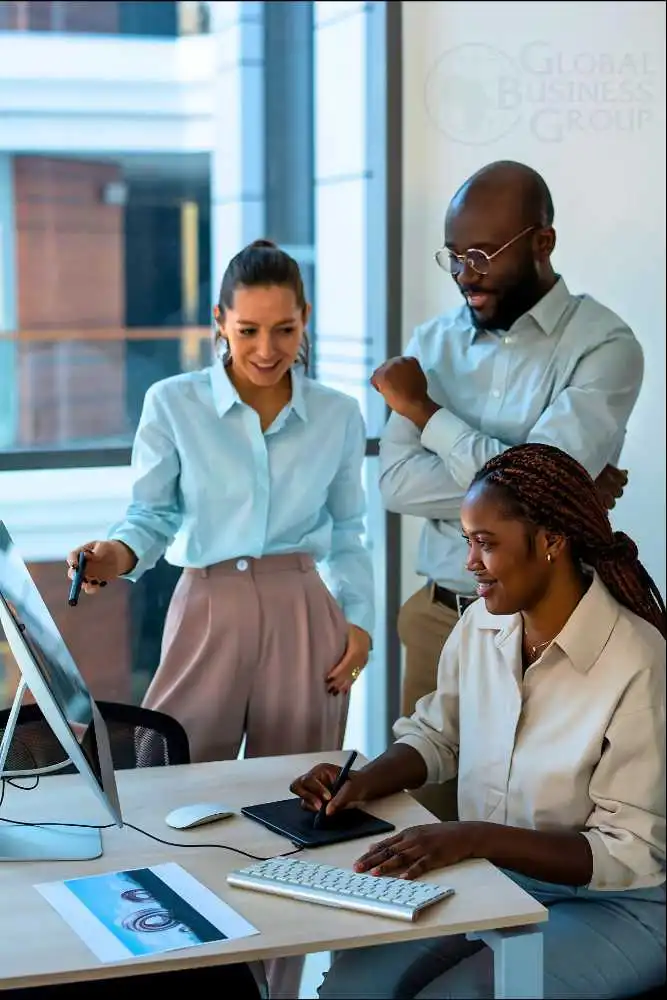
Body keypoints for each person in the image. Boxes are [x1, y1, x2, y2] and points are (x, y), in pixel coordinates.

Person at [65, 238, 375, 1000]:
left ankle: (277, 987)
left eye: (284, 330)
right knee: (168, 797)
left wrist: (359, 623)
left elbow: (346, 534)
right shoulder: (173, 403)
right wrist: (114, 555)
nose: (267, 349)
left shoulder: (338, 414)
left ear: (305, 322)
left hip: (307, 613)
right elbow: (151, 514)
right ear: (219, 324)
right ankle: (177, 979)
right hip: (206, 606)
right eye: (248, 330)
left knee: (299, 817)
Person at [291, 442, 666, 1000]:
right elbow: (437, 735)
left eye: (486, 544)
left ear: (551, 543)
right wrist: (363, 781)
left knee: (460, 995)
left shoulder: (637, 660)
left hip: (616, 902)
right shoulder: (480, 628)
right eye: (468, 541)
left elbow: (628, 850)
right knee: (354, 982)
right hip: (496, 879)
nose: (470, 562)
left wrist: (471, 838)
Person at [372, 160, 644, 820]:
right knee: (418, 834)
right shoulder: (430, 345)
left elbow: (539, 483)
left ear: (541, 243)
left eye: (480, 254)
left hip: (551, 630)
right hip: (439, 619)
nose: (464, 273)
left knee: (536, 827)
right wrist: (528, 487)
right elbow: (396, 482)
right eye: (453, 256)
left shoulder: (603, 345)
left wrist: (425, 415)